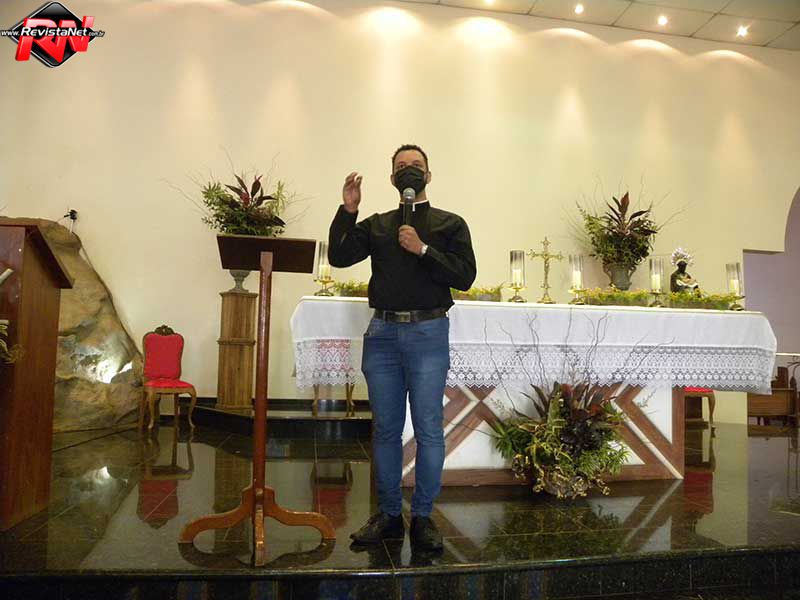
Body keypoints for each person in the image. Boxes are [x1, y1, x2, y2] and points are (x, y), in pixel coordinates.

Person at [328, 144, 476, 551]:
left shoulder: (450, 224)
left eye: (416, 165)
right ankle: (390, 515)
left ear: (428, 176)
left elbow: (465, 276)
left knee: (428, 428)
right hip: (383, 335)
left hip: (428, 333)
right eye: (401, 166)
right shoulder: (379, 225)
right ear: (392, 179)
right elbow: (339, 256)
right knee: (386, 429)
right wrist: (348, 210)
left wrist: (423, 250)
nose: (409, 170)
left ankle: (423, 517)